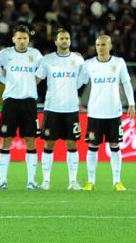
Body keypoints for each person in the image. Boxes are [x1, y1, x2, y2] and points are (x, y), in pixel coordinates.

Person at [79, 34, 135, 191]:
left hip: (114, 112)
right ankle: (90, 181)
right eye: (98, 45)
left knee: (115, 145)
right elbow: (80, 82)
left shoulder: (118, 63)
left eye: (103, 44)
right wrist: (76, 63)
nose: (100, 47)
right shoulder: (89, 64)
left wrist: (131, 103)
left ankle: (117, 181)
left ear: (110, 46)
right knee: (92, 146)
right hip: (95, 112)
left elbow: (126, 82)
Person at [0, 25, 44, 189]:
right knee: (6, 139)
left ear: (28, 40)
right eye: (19, 38)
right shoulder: (5, 54)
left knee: (30, 140)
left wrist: (32, 83)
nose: (22, 41)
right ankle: (2, 180)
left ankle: (31, 181)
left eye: (25, 38)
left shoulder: (35, 54)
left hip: (29, 101)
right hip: (10, 101)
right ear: (13, 39)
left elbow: (44, 70)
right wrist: (4, 80)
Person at [38, 28, 85, 190]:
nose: (64, 41)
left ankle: (73, 181)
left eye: (67, 38)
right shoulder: (47, 59)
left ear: (70, 41)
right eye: (61, 38)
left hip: (71, 108)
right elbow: (38, 79)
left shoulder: (78, 60)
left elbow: (83, 79)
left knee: (72, 143)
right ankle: (46, 181)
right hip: (52, 108)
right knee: (49, 143)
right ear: (56, 41)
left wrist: (72, 89)